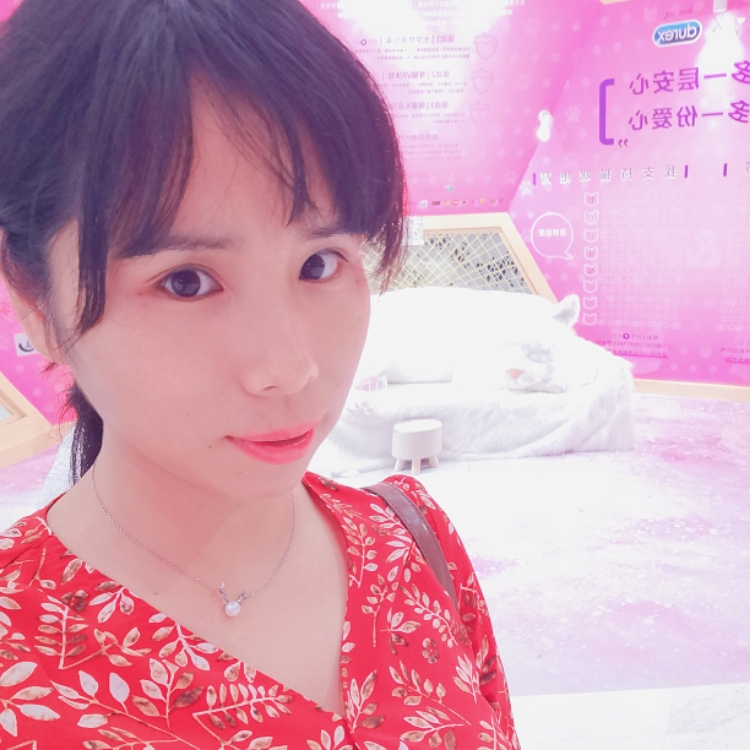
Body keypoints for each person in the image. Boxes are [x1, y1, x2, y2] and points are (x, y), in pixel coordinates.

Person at [0, 0, 521, 746]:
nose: (290, 368)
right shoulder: (19, 659)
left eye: (320, 263)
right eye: (186, 282)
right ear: (33, 297)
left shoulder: (410, 541)